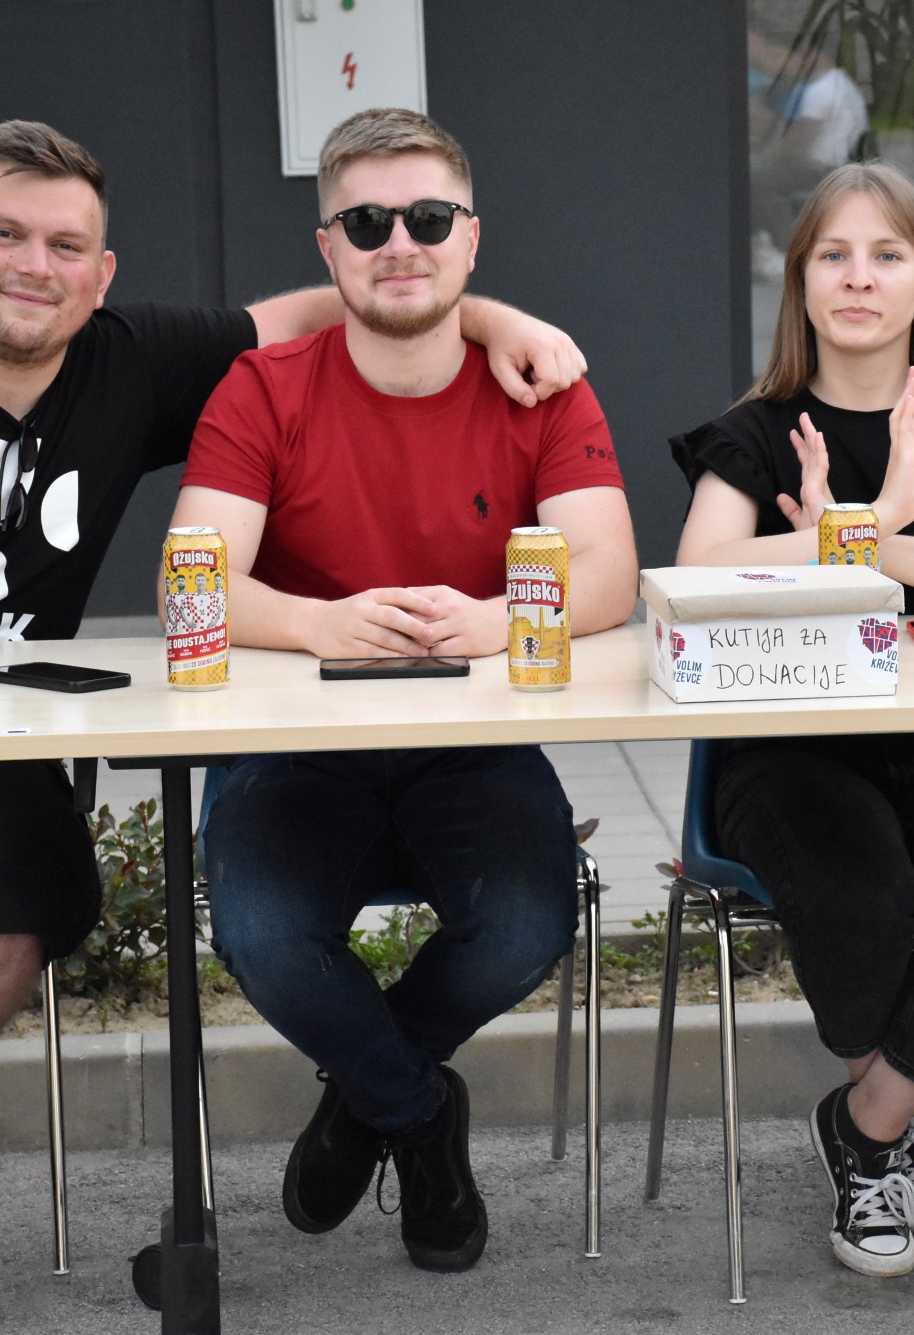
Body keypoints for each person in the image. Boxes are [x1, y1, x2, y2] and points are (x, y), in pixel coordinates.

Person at [0, 119, 586, 1335]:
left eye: (65, 246)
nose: (32, 267)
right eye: (3, 234)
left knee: (22, 897)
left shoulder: (131, 359)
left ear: (101, 275)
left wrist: (493, 320)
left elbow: (354, 296)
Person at [171, 108, 637, 1275]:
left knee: (523, 925)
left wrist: (499, 621)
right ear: (326, 247)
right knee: (262, 937)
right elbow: (194, 579)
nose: (399, 244)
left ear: (470, 237)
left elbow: (610, 574)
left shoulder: (540, 386)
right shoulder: (261, 387)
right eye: (367, 222)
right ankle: (417, 1113)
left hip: (471, 739)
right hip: (294, 742)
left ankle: (365, 1095)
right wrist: (315, 622)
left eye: (428, 219)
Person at [668, 161, 914, 1277]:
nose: (859, 278)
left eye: (886, 255)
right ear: (800, 282)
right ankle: (913, 1126)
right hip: (788, 752)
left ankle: (873, 1123)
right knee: (861, 888)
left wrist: (880, 536)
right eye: (834, 256)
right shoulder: (755, 434)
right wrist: (846, 532)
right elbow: (698, 570)